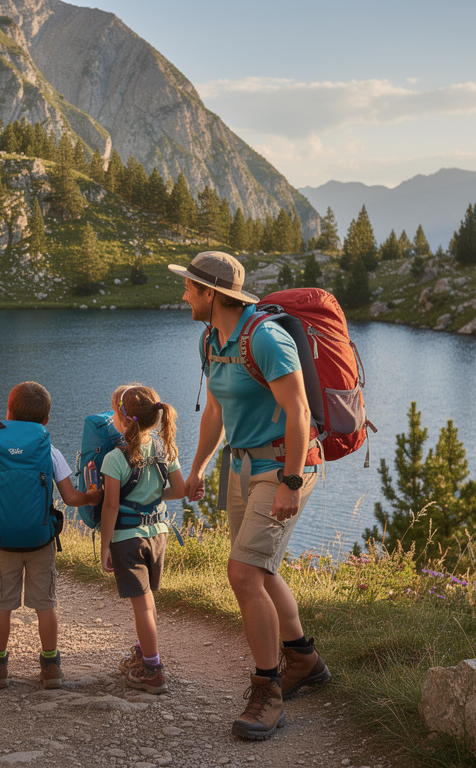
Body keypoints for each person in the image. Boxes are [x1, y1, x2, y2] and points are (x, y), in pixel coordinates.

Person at [169, 251, 330, 740]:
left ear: (212, 294)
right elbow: (215, 409)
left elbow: (299, 412)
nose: (184, 296)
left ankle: (269, 691)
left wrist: (291, 481)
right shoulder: (212, 340)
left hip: (284, 464)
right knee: (259, 569)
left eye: (190, 289)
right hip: (241, 466)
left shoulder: (265, 338)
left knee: (242, 572)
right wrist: (196, 468)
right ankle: (304, 659)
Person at [0, 381, 101, 689]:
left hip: (2, 540)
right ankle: (51, 668)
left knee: (2, 605)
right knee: (45, 604)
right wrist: (92, 497)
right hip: (40, 539)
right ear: (46, 420)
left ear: (9, 413)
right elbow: (71, 498)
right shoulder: (50, 450)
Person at [99, 383, 185, 695]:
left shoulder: (114, 459)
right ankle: (143, 650)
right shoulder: (165, 449)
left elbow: (110, 506)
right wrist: (150, 497)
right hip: (158, 534)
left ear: (123, 420)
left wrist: (104, 545)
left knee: (143, 605)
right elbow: (178, 490)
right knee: (147, 600)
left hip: (127, 538)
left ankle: (153, 668)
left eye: (114, 412)